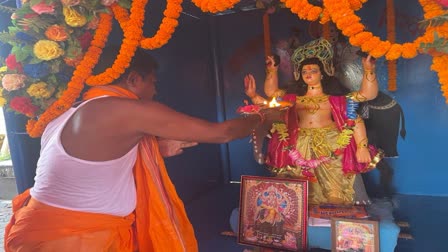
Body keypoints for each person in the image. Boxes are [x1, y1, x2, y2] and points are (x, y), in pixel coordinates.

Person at [3, 47, 281, 252]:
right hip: (72, 239)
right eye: (153, 83)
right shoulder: (124, 109)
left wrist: (155, 149)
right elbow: (222, 133)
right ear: (134, 79)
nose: (155, 91)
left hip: (43, 229)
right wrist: (261, 118)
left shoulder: (70, 113)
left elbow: (89, 165)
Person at [243, 38, 382, 205]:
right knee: (299, 187)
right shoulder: (293, 98)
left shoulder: (336, 99)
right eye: (304, 71)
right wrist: (265, 80)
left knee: (335, 188)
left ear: (322, 73)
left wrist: (369, 70)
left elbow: (365, 99)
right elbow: (271, 96)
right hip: (298, 143)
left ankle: (336, 217)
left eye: (313, 70)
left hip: (331, 143)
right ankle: (301, 219)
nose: (308, 74)